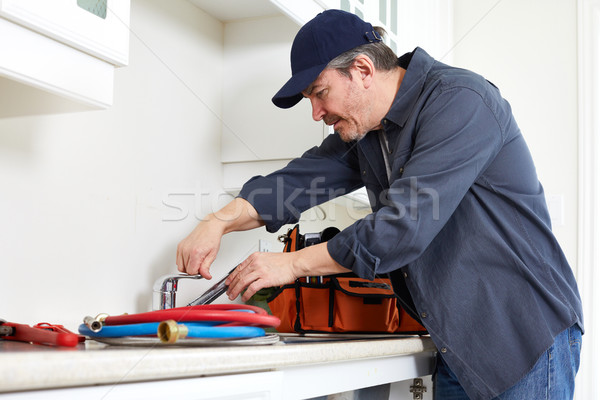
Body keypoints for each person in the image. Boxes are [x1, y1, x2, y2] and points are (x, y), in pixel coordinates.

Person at [176, 9, 583, 400]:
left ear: (363, 70)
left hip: (522, 337)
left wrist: (290, 264)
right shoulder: (370, 131)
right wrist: (218, 221)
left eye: (319, 93)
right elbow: (301, 180)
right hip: (457, 344)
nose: (317, 113)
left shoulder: (461, 101)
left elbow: (402, 226)